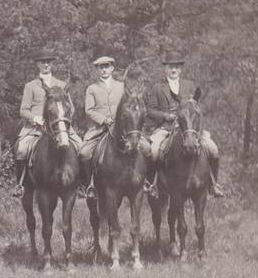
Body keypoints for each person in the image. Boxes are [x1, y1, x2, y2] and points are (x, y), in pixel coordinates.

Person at [144, 52, 225, 197]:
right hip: (166, 129)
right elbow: (149, 110)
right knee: (154, 151)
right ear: (165, 69)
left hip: (189, 129)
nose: (173, 70)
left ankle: (214, 185)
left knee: (213, 149)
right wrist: (165, 116)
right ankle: (152, 185)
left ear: (180, 69)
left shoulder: (190, 85)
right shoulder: (158, 87)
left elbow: (197, 108)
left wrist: (194, 122)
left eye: (176, 67)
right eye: (170, 67)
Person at [11, 48, 81, 197]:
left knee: (82, 147)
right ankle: (20, 184)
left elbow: (71, 108)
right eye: (43, 62)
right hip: (36, 128)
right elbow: (23, 110)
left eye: (48, 62)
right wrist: (35, 118)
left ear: (52, 64)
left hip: (59, 126)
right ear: (38, 65)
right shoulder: (31, 86)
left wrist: (64, 121)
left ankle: (82, 184)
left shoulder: (61, 85)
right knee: (22, 149)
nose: (46, 65)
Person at [77, 55, 126, 200]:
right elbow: (89, 110)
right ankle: (87, 185)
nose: (104, 69)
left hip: (121, 129)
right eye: (101, 67)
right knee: (84, 154)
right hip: (99, 129)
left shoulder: (121, 86)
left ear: (112, 68)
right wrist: (104, 120)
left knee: (145, 148)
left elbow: (127, 107)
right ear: (97, 70)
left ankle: (144, 181)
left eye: (107, 66)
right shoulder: (92, 88)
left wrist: (120, 121)